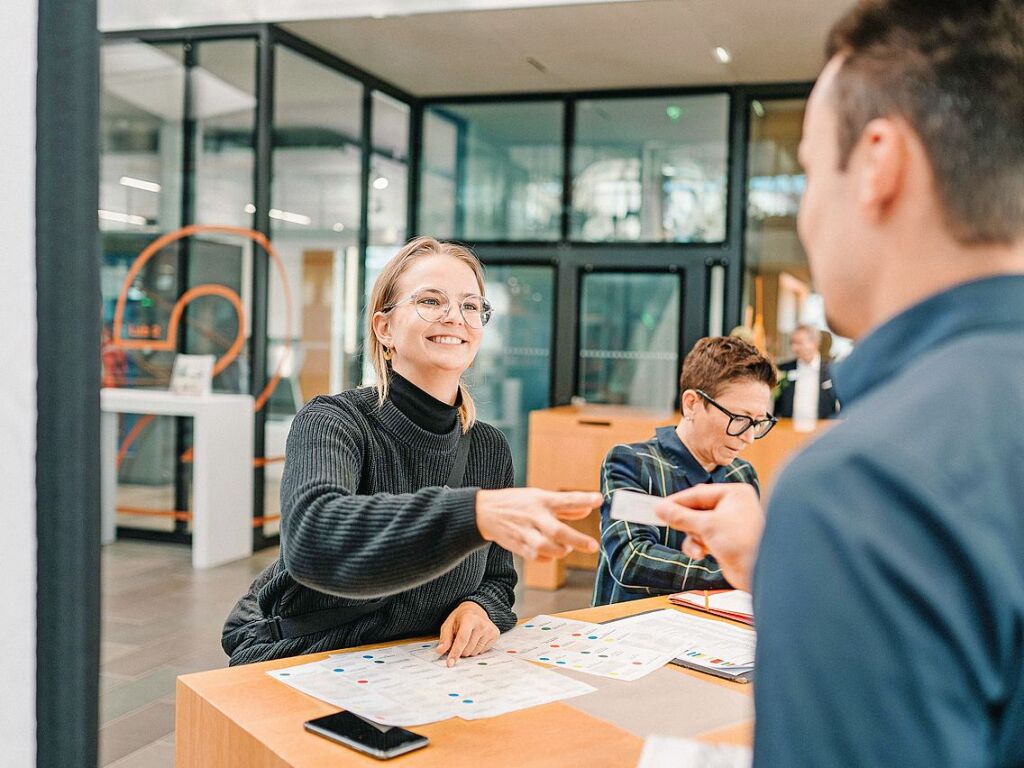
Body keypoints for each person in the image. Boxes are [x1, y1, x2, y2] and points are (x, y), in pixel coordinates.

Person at [656, 1, 1024, 765]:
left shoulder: (867, 488)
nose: (804, 215)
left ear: (879, 164)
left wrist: (831, 556)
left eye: (810, 170)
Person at [223, 237, 600, 667]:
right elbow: (313, 541)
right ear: (385, 329)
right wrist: (471, 514)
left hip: (421, 667)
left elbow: (496, 579)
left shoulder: (488, 447)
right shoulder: (334, 421)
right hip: (306, 659)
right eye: (430, 301)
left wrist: (480, 608)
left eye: (470, 306)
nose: (454, 317)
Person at [591, 336, 777, 606]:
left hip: (711, 626)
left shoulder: (742, 476)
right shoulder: (632, 462)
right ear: (691, 404)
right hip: (631, 629)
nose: (748, 438)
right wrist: (739, 573)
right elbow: (632, 559)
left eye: (758, 423)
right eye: (739, 419)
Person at [772, 324, 840, 420]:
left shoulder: (831, 370)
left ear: (814, 343)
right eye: (792, 343)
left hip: (821, 428)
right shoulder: (784, 369)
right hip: (788, 427)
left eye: (799, 343)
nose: (794, 348)